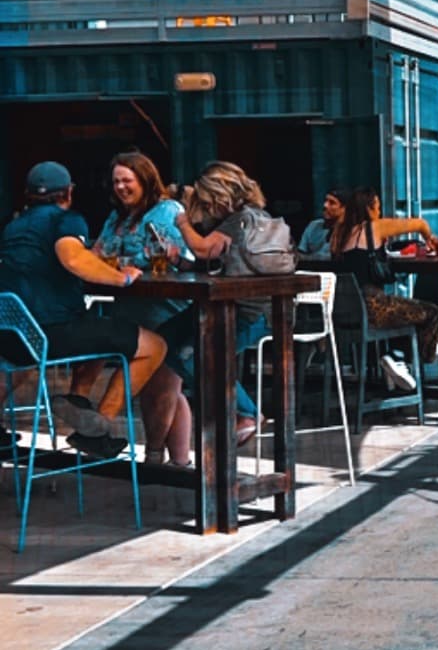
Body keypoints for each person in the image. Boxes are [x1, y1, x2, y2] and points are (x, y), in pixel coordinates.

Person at [0, 159, 167, 455]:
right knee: (155, 345)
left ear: (28, 194)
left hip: (14, 337)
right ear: (68, 192)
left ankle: (77, 401)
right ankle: (97, 428)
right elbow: (73, 259)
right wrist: (121, 278)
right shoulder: (65, 220)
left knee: (100, 328)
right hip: (53, 334)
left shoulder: (14, 227)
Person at [93, 149, 227, 468]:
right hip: (132, 308)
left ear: (145, 179)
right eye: (116, 182)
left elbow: (186, 259)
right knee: (157, 385)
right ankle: (178, 462)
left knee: (163, 384)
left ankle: (157, 458)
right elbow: (98, 251)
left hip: (167, 307)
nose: (121, 187)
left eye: (127, 181)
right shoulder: (118, 217)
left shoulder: (167, 210)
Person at [177, 163, 293, 441]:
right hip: (251, 308)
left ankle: (248, 412)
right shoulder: (256, 217)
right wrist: (180, 262)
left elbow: (205, 248)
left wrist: (182, 222)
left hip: (251, 312)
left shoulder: (239, 219)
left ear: (220, 196)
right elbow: (216, 262)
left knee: (196, 356)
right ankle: (239, 411)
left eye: (206, 201)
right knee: (176, 346)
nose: (204, 207)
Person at [330, 187, 438, 357]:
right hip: (374, 309)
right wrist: (429, 240)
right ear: (369, 208)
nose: (379, 213)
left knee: (404, 313)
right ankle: (406, 363)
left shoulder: (339, 233)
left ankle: (392, 358)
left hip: (343, 311)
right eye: (378, 207)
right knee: (431, 311)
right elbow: (420, 224)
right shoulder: (374, 227)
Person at [298, 189, 348, 265]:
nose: (325, 205)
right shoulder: (313, 225)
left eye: (332, 203)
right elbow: (300, 253)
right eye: (325, 201)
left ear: (343, 208)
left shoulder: (350, 230)